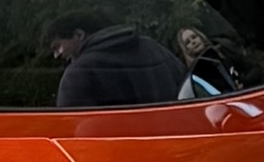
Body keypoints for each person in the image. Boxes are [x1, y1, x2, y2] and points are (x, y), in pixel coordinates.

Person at [43, 12, 189, 109]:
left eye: (57, 47)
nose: (57, 55)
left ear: (78, 35)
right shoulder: (152, 47)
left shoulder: (77, 74)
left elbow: (71, 129)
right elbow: (187, 89)